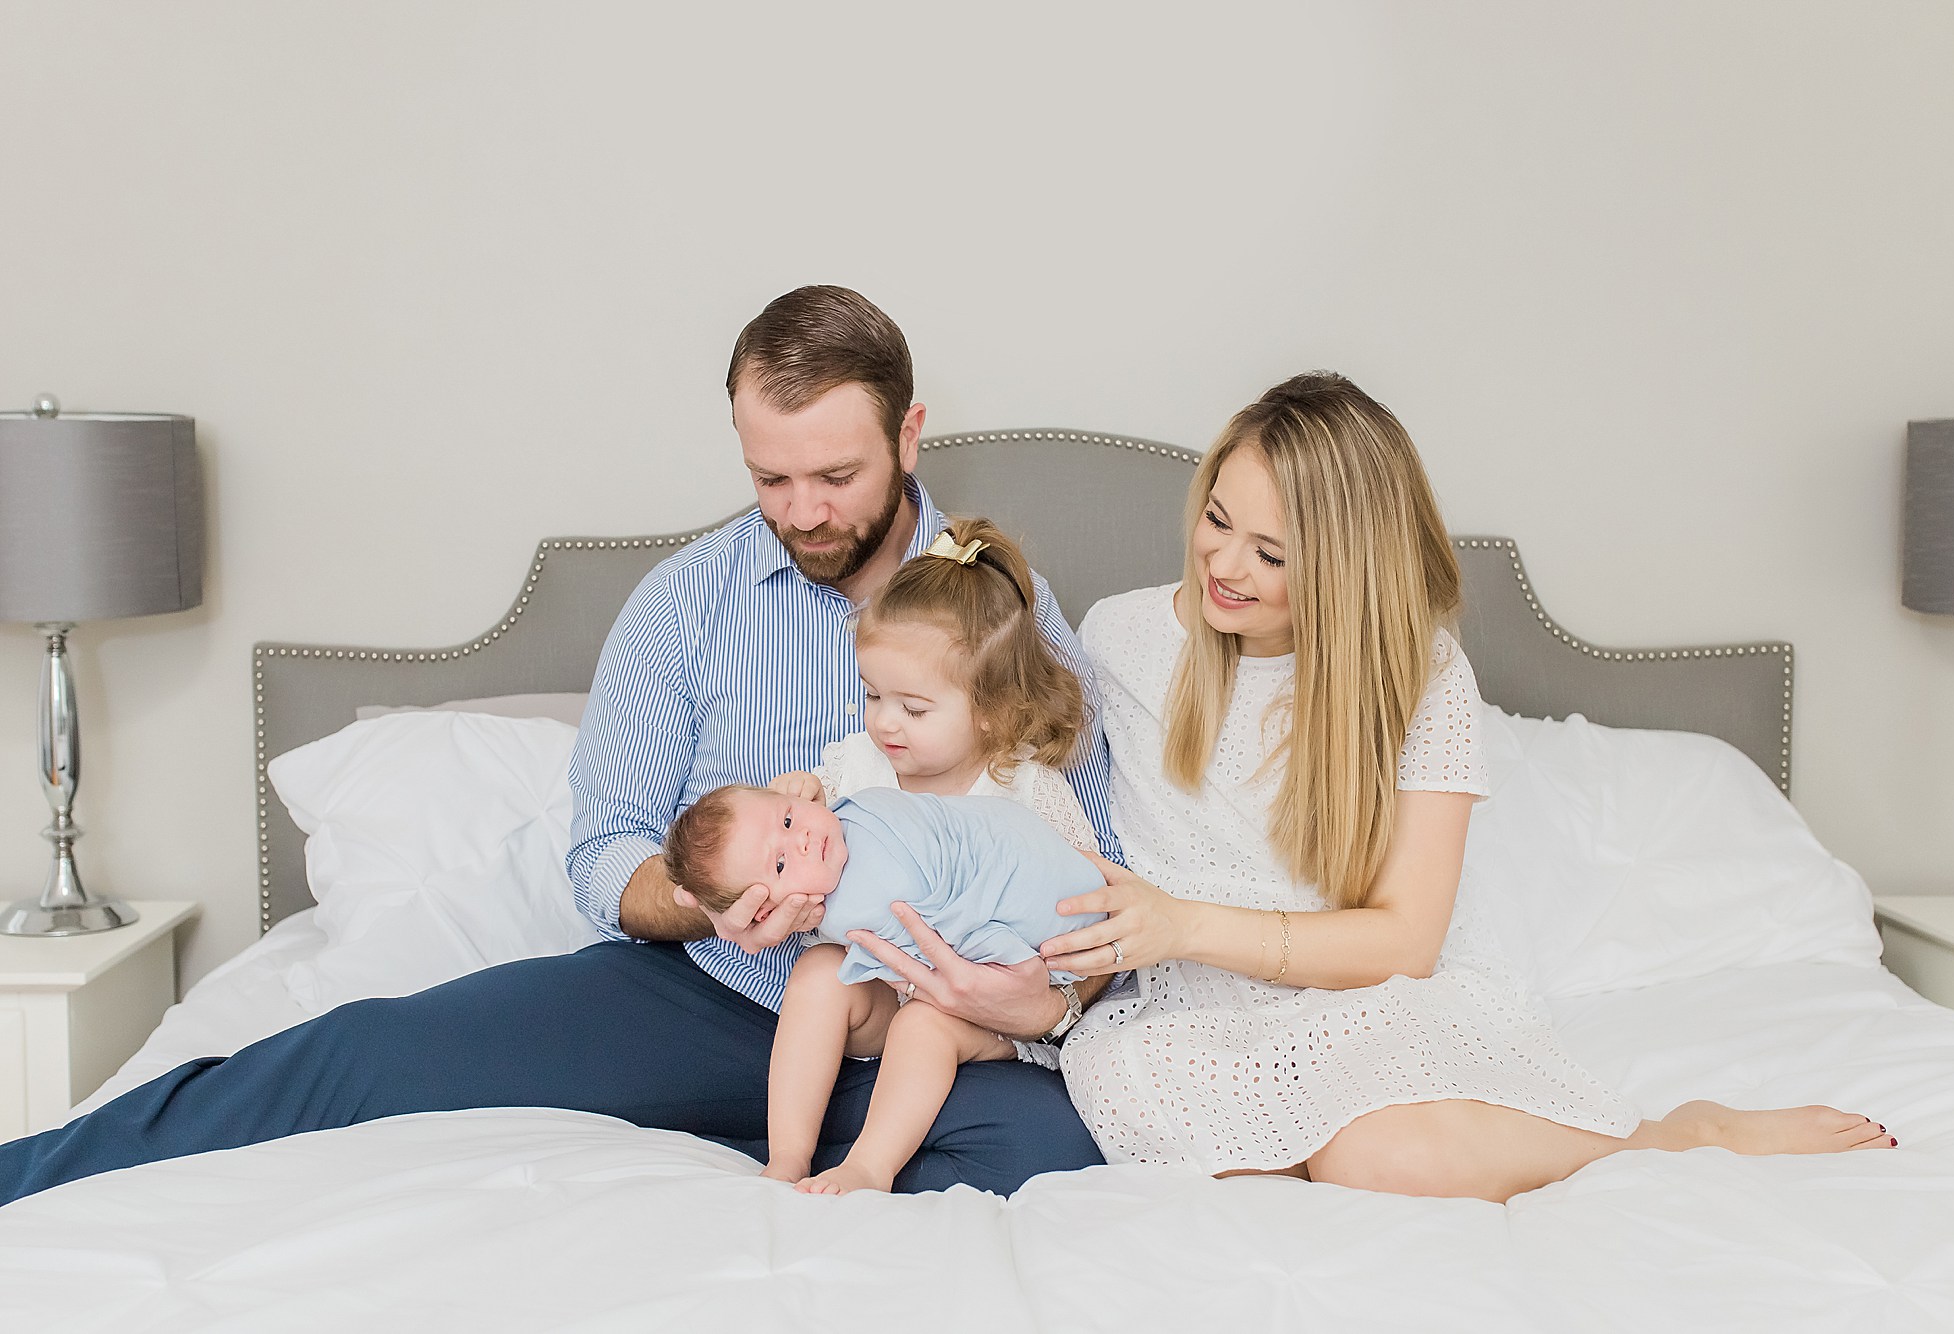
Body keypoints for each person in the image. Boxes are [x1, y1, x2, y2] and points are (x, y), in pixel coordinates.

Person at [0, 286, 1117, 1208]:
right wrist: (717, 898)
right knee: (357, 1054)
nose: (803, 511)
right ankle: (30, 1174)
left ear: (908, 432)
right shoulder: (685, 602)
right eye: (769, 480)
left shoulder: (1003, 602)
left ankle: (830, 1144)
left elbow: (1098, 864)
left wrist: (1032, 1005)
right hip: (707, 1000)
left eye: (836, 477)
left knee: (1059, 1155)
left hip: (934, 1022)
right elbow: (602, 860)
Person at [1042, 372, 1894, 1202]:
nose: (1224, 564)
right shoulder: (1122, 636)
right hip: (1186, 1006)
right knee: (1236, 1176)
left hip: (1363, 994)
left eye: (1271, 554)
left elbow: (1405, 942)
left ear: (1345, 568)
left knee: (1388, 1163)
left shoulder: (1419, 676)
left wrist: (1186, 921)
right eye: (1217, 520)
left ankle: (1670, 1135)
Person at [664, 520, 1106, 1194]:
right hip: (884, 990)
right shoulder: (856, 768)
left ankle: (869, 1165)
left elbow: (1088, 909)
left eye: (915, 708)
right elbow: (796, 845)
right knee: (815, 971)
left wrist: (1049, 992)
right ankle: (788, 1156)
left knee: (928, 1024)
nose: (886, 722)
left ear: (991, 711)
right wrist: (786, 813)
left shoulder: (1025, 790)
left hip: (981, 1008)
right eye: (874, 696)